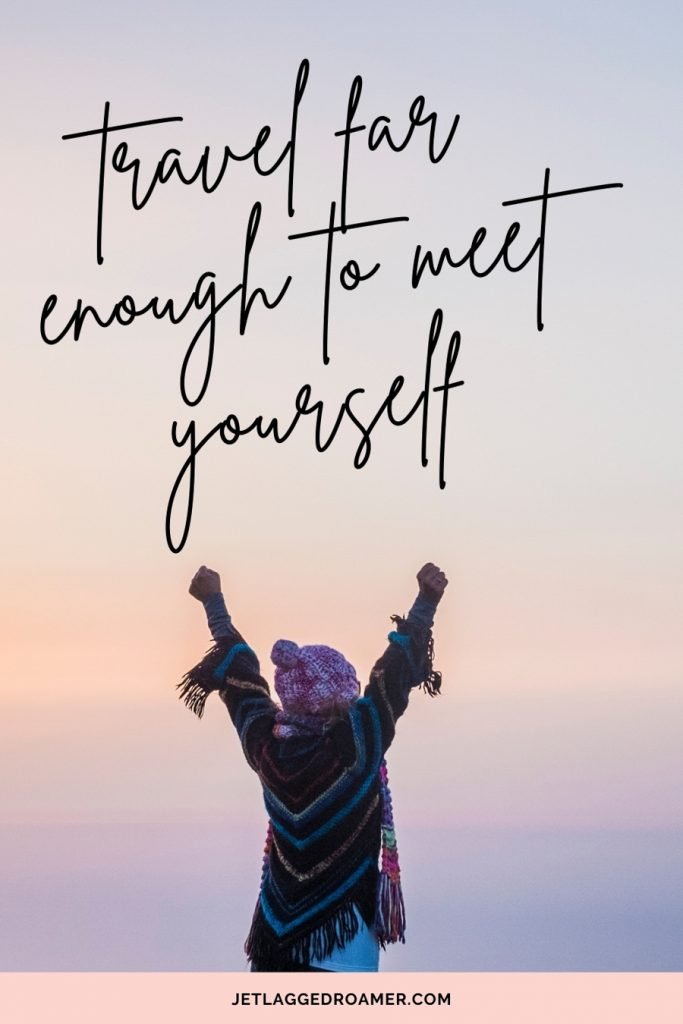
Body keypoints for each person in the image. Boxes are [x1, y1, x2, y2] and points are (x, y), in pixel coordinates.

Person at [179, 561, 448, 972]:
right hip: (342, 949)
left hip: (274, 944)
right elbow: (391, 678)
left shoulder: (267, 748)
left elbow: (243, 680)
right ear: (343, 694)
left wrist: (213, 602)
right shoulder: (355, 748)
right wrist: (426, 601)